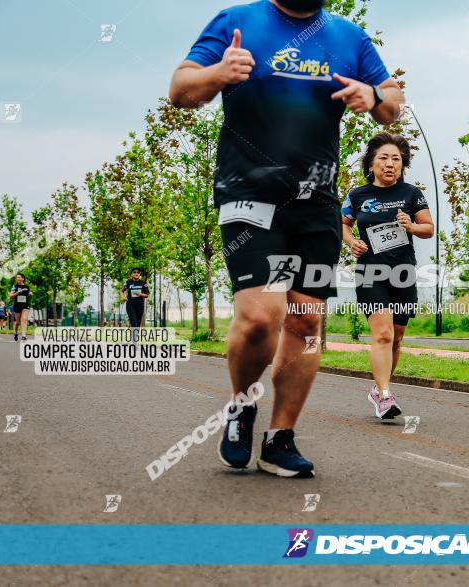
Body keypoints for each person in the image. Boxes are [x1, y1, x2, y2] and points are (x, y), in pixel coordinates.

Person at [170, 0, 404, 478]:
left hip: (315, 204)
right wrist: (219, 72)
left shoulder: (349, 36)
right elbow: (180, 90)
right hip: (250, 196)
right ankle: (242, 404)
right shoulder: (237, 21)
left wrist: (373, 94)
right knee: (261, 316)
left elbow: (394, 102)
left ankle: (280, 439)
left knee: (306, 324)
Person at [342, 134, 434, 419]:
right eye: (384, 158)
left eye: (396, 159)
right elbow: (342, 224)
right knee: (382, 334)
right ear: (371, 164)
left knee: (396, 338)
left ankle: (379, 388)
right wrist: (350, 242)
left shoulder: (411, 194)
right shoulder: (357, 195)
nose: (390, 164)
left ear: (402, 165)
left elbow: (428, 228)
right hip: (371, 273)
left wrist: (411, 226)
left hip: (403, 273)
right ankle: (384, 395)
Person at [9, 273, 33, 341]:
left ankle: (24, 335)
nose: (18, 279)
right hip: (17, 305)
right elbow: (11, 296)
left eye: (19, 277)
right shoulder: (14, 286)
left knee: (24, 320)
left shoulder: (27, 287)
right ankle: (16, 332)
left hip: (25, 305)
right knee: (17, 322)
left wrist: (30, 294)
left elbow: (27, 296)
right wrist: (17, 292)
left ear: (23, 278)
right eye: (17, 277)